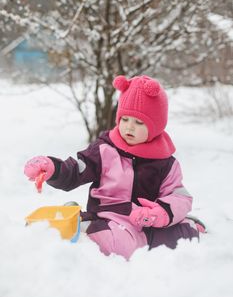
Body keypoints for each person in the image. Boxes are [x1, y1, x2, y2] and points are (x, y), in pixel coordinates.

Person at [24, 75, 205, 260]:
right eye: (125, 119)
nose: (129, 127)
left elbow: (179, 196)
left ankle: (186, 227)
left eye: (139, 122)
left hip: (145, 222)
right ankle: (82, 225)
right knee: (111, 242)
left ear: (156, 126)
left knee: (173, 240)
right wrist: (52, 167)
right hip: (105, 217)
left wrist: (160, 214)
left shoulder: (165, 163)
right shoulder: (104, 149)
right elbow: (76, 170)